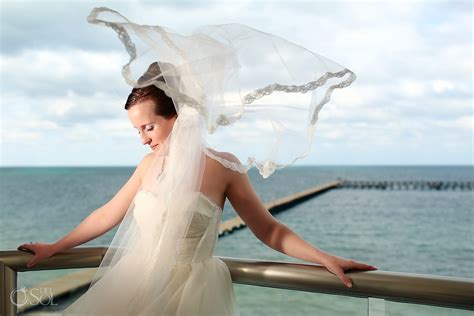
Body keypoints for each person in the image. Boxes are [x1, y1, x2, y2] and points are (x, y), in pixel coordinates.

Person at [17, 7, 378, 315]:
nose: (143, 138)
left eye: (149, 126)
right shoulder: (148, 165)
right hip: (133, 284)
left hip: (190, 295)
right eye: (137, 130)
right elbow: (107, 214)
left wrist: (323, 257)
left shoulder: (225, 167)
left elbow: (269, 230)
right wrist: (55, 246)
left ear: (179, 115)